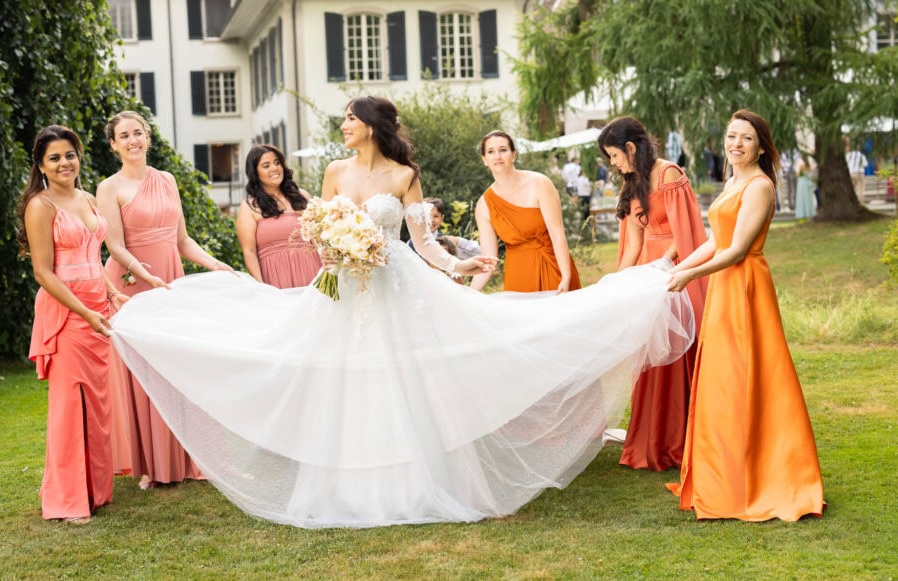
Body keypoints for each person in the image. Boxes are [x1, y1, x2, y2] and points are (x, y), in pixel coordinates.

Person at [109, 95, 695, 529]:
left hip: (394, 283)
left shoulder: (406, 175)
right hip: (343, 287)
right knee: (341, 376)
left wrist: (459, 265)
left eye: (348, 120)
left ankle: (420, 483)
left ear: (370, 126)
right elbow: (321, 228)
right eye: (341, 120)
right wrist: (335, 245)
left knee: (408, 375)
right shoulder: (335, 173)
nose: (342, 127)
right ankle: (346, 485)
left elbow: (423, 240)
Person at [666, 109, 824, 521]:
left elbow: (737, 251)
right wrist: (678, 269)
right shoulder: (732, 180)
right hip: (724, 285)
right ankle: (724, 474)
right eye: (731, 136)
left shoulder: (759, 186)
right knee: (723, 378)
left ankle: (760, 477)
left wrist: (691, 276)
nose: (736, 144)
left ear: (761, 146)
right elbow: (717, 241)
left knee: (750, 376)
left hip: (746, 286)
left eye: (746, 138)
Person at [98, 110, 233, 489]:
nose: (132, 140)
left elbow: (182, 240)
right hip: (133, 284)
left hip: (170, 279)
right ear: (113, 145)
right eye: (123, 136)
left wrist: (213, 262)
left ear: (148, 137)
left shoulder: (168, 179)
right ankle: (152, 465)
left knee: (177, 367)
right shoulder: (109, 188)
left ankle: (186, 458)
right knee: (145, 373)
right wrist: (144, 275)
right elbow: (115, 246)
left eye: (138, 133)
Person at [18, 125, 124, 523]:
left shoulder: (88, 197)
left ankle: (95, 491)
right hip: (67, 314)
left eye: (70, 155)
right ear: (41, 166)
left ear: (79, 156)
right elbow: (44, 273)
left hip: (100, 306)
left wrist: (111, 292)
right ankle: (67, 500)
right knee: (68, 405)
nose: (65, 163)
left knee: (97, 403)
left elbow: (93, 257)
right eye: (54, 158)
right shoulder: (40, 206)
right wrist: (85, 311)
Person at [598, 117, 708, 471]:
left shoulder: (669, 175)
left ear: (631, 147)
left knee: (674, 355)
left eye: (614, 155)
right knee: (649, 355)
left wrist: (663, 266)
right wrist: (620, 284)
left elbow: (685, 230)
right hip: (648, 271)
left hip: (673, 270)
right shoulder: (632, 184)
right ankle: (651, 438)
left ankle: (677, 439)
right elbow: (633, 244)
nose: (613, 163)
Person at [471, 130, 582, 293]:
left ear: (513, 155)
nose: (497, 156)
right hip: (518, 276)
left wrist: (566, 276)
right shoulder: (484, 205)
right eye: (490, 152)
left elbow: (557, 234)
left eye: (503, 150)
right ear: (484, 160)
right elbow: (489, 258)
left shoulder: (540, 183)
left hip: (552, 266)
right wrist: (469, 293)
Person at [236, 144, 322, 288]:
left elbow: (318, 239)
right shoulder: (249, 207)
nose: (274, 168)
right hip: (274, 279)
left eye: (277, 163)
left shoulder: (302, 196)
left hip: (312, 271)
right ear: (255, 173)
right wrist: (261, 287)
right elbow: (249, 252)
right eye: (266, 165)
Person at [405, 197, 481, 260]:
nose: (431, 220)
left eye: (436, 216)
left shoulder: (447, 242)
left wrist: (458, 241)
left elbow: (481, 253)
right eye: (427, 216)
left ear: (442, 218)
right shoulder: (411, 243)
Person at [793, 156, 818, 220]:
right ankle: (808, 213)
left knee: (803, 198)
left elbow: (797, 173)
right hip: (806, 181)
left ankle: (804, 214)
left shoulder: (801, 163)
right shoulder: (808, 163)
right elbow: (813, 167)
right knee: (807, 198)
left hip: (802, 181)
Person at [845, 138, 868, 204]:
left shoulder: (848, 155)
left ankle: (852, 203)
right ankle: (860, 203)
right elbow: (865, 165)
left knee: (852, 189)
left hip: (852, 173)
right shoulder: (861, 155)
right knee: (861, 189)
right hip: (860, 173)